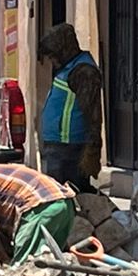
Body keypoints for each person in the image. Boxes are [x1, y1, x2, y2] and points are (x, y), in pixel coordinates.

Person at [37, 23, 103, 192]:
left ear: (64, 49)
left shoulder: (83, 72)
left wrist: (93, 147)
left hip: (69, 148)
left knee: (65, 195)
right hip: (59, 146)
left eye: (53, 56)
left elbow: (93, 113)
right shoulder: (67, 68)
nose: (52, 61)